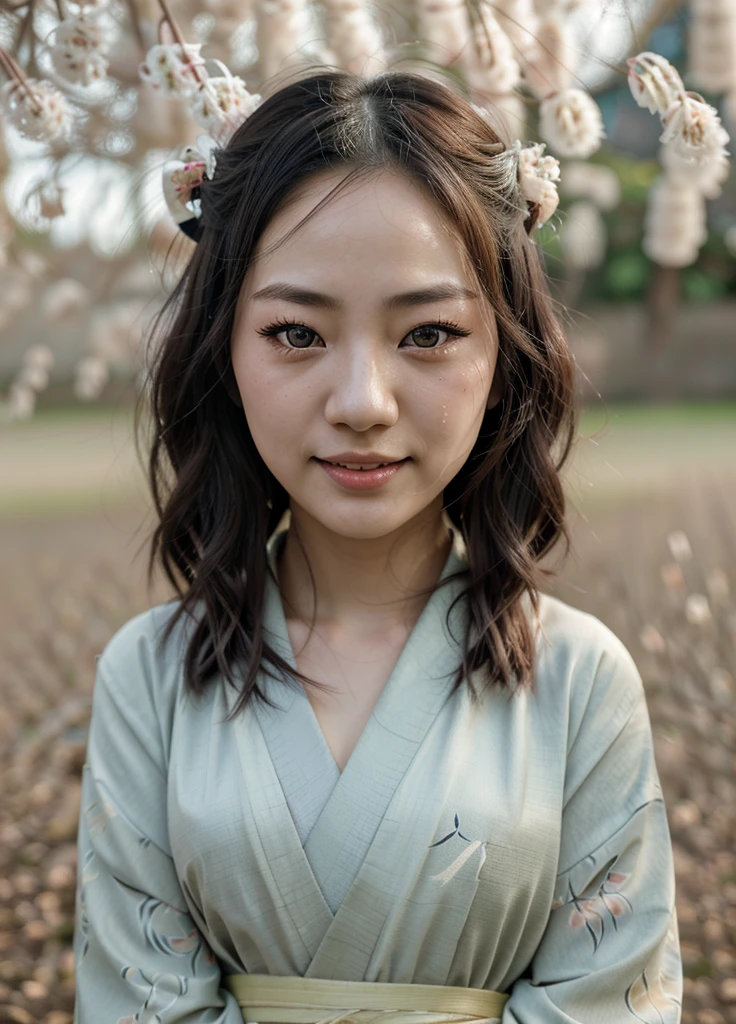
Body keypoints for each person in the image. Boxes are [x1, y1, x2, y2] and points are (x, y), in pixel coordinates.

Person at [73, 68, 682, 1023]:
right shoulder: (149, 678)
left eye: (429, 331)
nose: (362, 401)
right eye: (296, 333)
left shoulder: (580, 683)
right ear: (224, 352)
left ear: (504, 352)